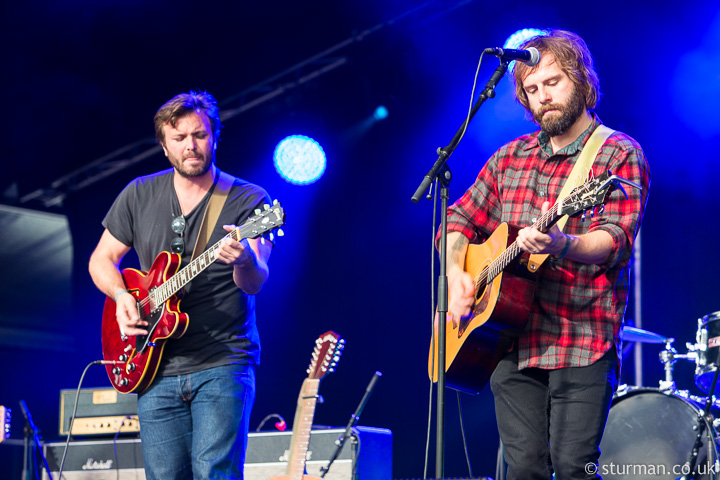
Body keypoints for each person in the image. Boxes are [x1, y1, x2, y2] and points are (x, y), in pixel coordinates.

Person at [442, 30, 650, 479]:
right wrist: (456, 274)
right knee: (523, 472)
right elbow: (456, 221)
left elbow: (614, 239)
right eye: (532, 90)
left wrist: (563, 243)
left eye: (553, 82)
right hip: (507, 340)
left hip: (581, 338)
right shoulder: (508, 159)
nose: (543, 97)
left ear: (581, 80)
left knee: (574, 468)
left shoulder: (617, 152)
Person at [88, 90, 273, 479]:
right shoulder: (139, 193)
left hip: (223, 360)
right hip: (154, 364)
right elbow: (101, 260)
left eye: (200, 135)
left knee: (213, 473)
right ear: (163, 145)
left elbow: (254, 282)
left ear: (215, 136)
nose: (191, 146)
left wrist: (245, 259)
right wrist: (121, 295)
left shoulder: (249, 199)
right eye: (179, 138)